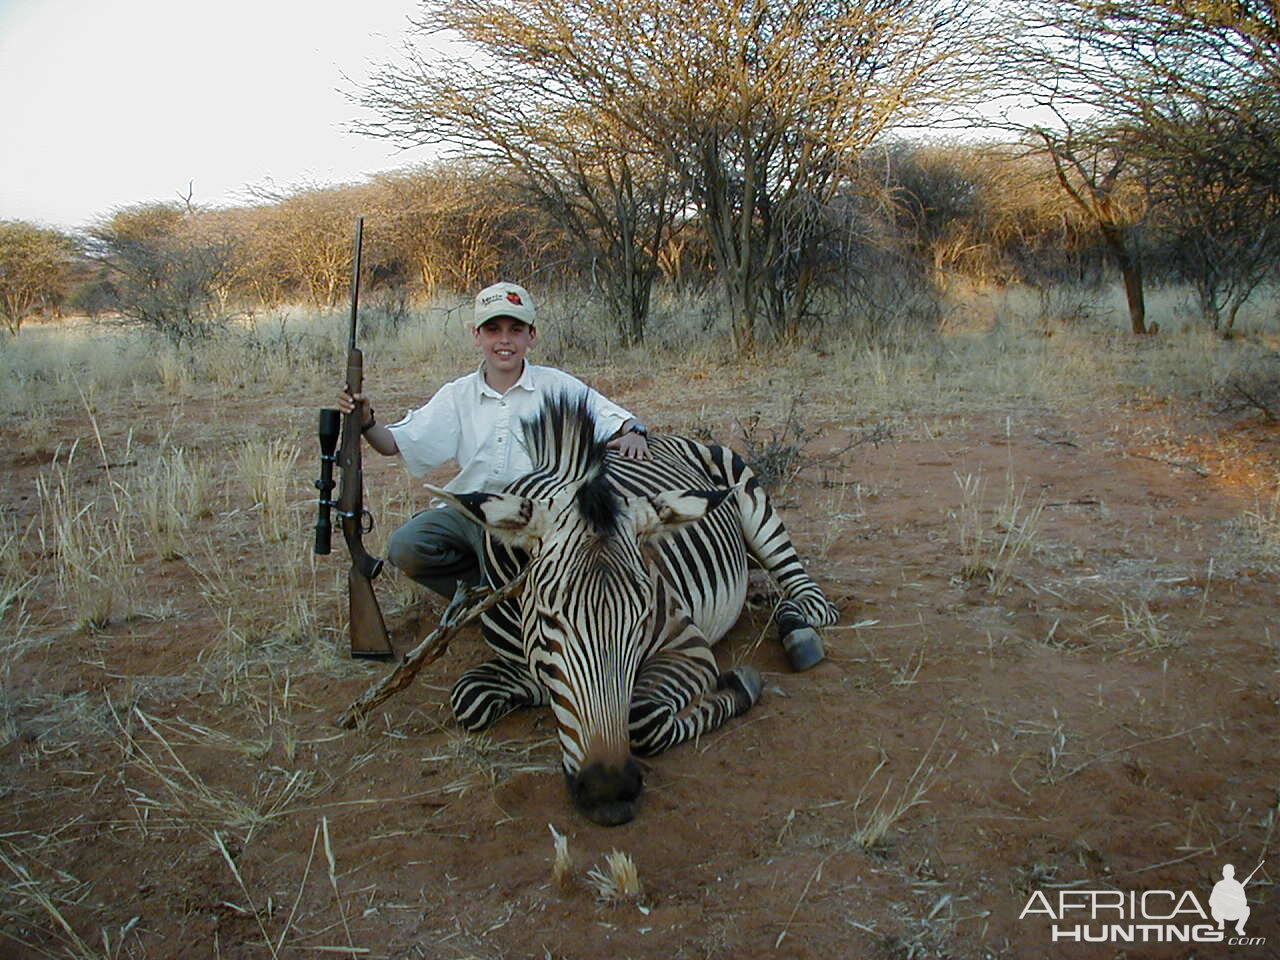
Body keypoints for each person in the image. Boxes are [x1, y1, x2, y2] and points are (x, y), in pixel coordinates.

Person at [339, 280, 651, 599]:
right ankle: (498, 602)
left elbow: (621, 420)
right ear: (477, 335)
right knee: (407, 546)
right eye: (493, 329)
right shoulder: (457, 395)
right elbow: (393, 443)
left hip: (538, 518)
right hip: (474, 512)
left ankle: (534, 597)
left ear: (532, 335)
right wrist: (366, 421)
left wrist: (635, 432)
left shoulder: (557, 386)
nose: (504, 340)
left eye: (516, 329)